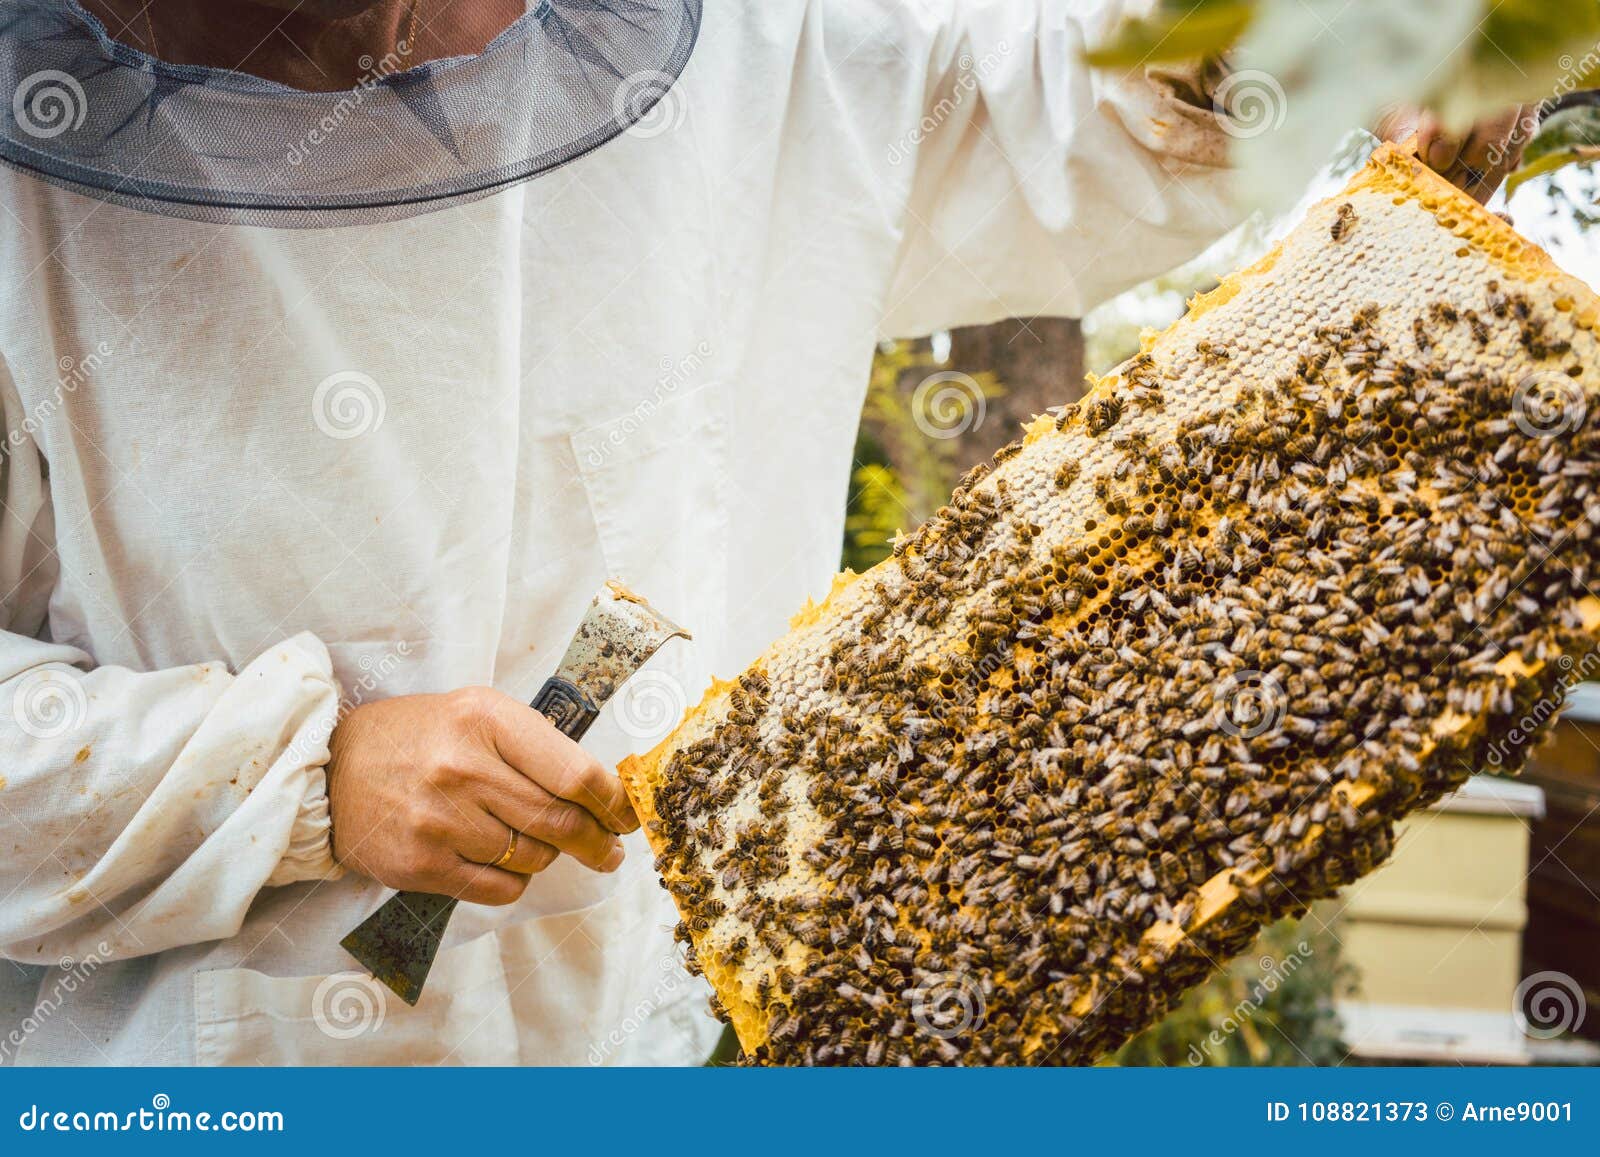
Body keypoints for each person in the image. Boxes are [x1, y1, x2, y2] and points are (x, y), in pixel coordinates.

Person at [0, 0, 1528, 1066]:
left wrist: (1314, 40)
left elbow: (1086, 106)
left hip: (656, 1049)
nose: (399, 39)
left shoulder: (756, 54)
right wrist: (303, 776)